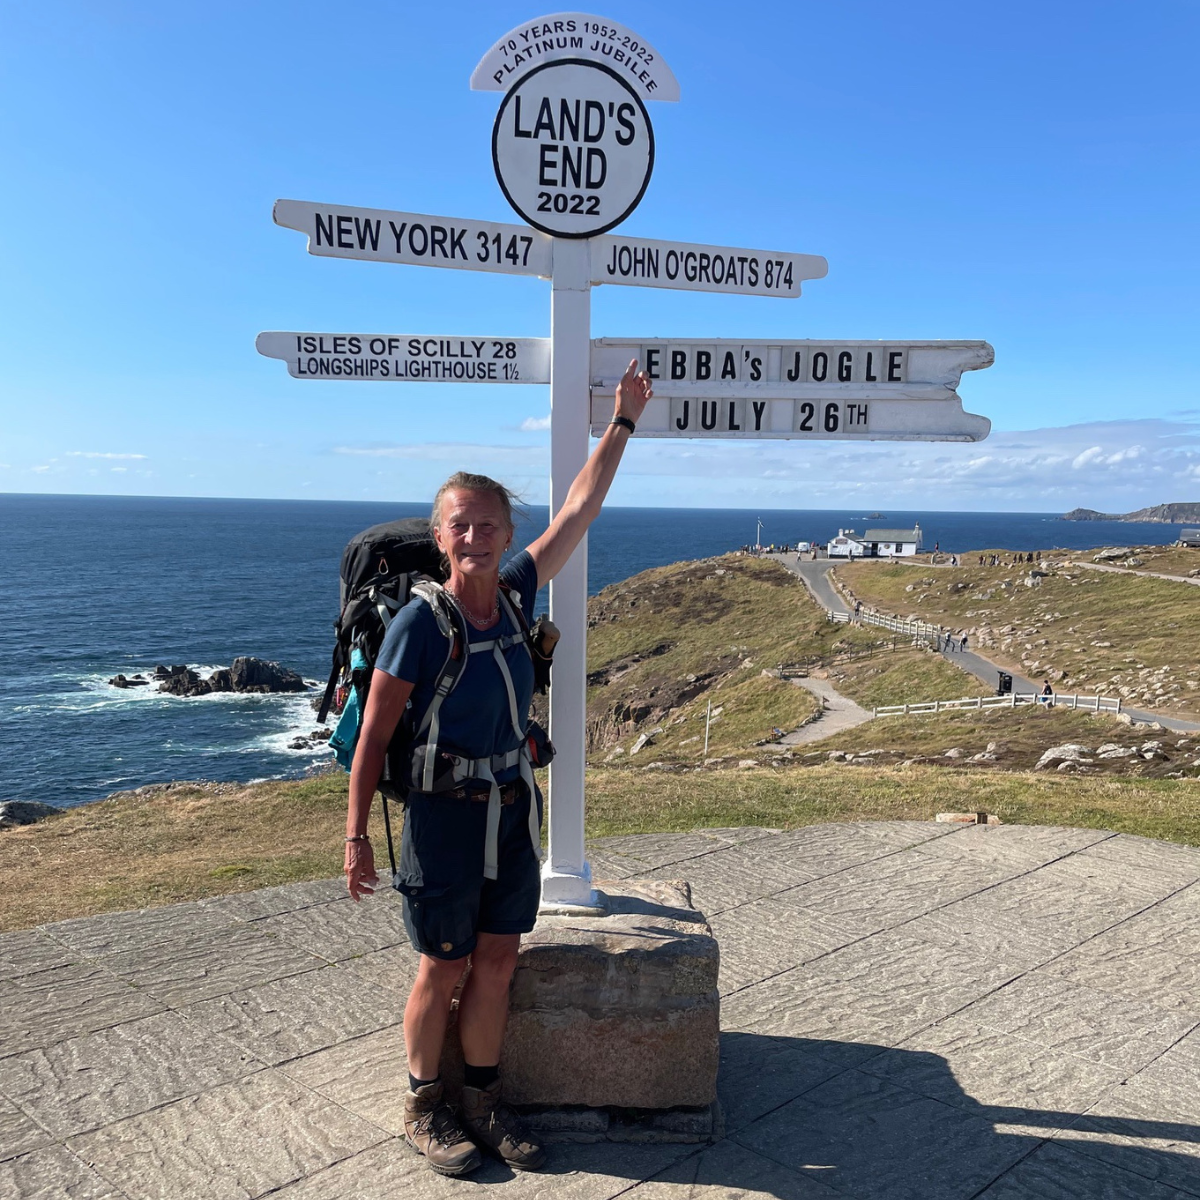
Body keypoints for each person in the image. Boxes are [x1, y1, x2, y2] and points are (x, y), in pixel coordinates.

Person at [343, 360, 653, 1176]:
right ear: (440, 537)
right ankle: (423, 1103)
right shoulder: (419, 622)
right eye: (460, 526)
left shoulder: (517, 594)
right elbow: (374, 737)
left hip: (511, 810)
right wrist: (354, 838)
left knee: (498, 960)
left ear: (508, 535)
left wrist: (621, 421)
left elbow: (581, 508)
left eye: (489, 525)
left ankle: (481, 1096)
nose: (476, 537)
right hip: (442, 818)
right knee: (441, 965)